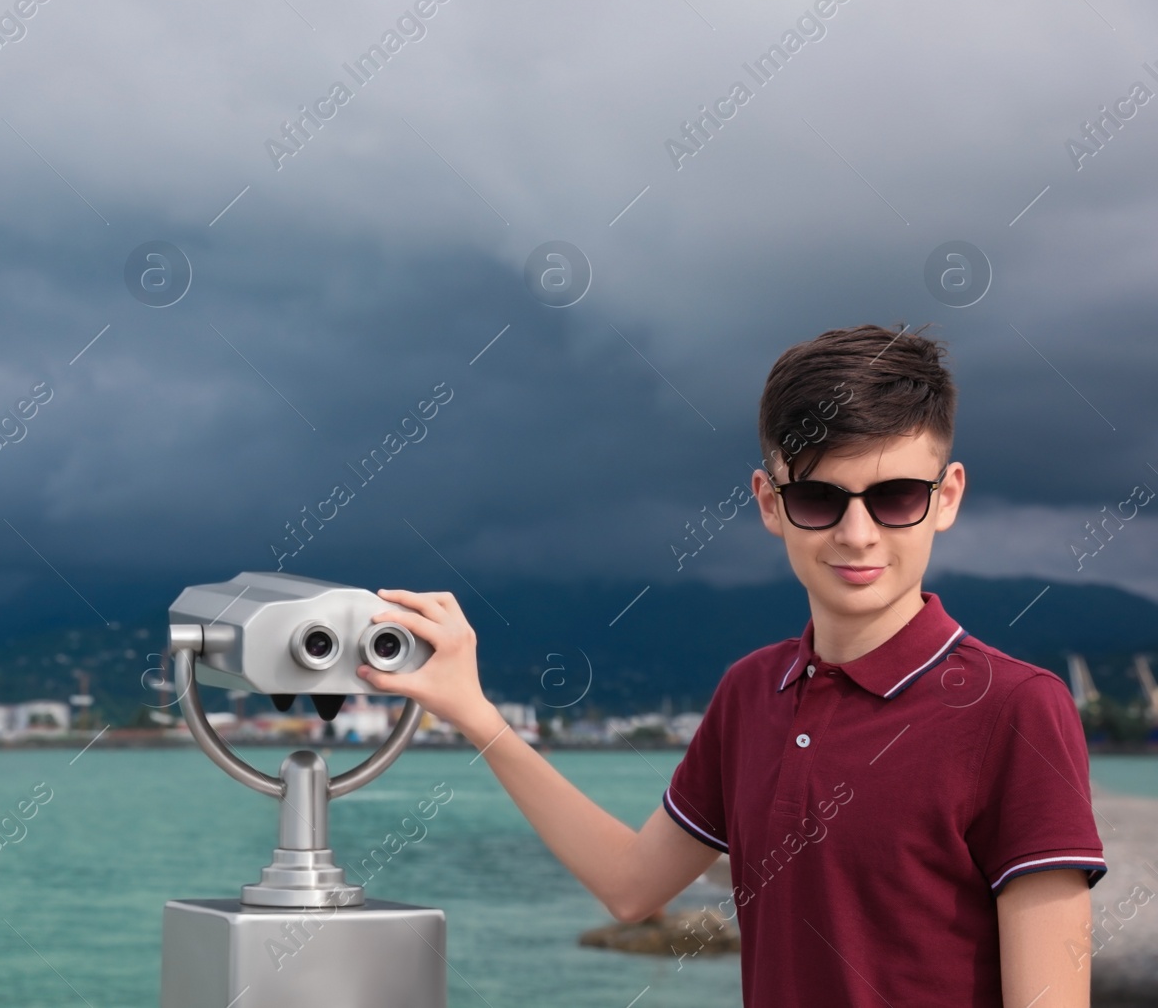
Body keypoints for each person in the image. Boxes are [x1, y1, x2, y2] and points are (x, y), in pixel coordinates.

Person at [359, 323, 1105, 1007]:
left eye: (895, 497)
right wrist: (476, 713)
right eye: (819, 497)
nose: (857, 533)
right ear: (769, 503)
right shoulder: (752, 691)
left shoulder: (1016, 707)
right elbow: (630, 884)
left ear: (946, 498)